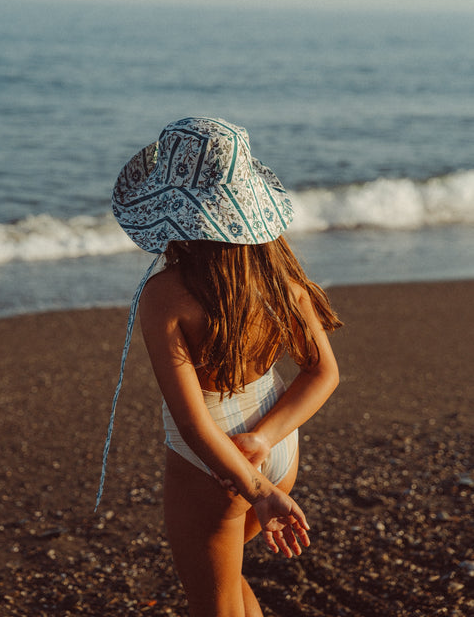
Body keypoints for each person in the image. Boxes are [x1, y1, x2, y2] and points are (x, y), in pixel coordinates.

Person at [96, 117, 341, 617]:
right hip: (276, 443)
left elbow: (192, 423)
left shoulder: (166, 295)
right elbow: (323, 374)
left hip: (213, 459)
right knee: (228, 585)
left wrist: (255, 490)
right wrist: (263, 446)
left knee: (215, 605)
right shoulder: (283, 280)